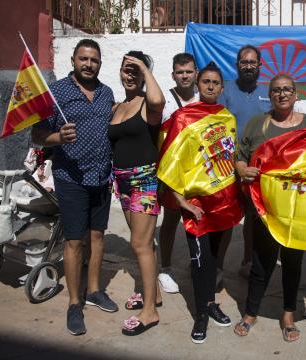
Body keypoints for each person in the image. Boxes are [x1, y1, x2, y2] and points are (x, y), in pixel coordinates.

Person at [31, 39, 117, 336]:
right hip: (71, 178)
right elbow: (38, 134)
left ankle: (93, 291)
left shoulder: (107, 94)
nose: (88, 64)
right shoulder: (57, 93)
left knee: (97, 237)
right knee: (74, 242)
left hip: (101, 177)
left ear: (100, 63)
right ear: (73, 60)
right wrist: (58, 138)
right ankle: (74, 302)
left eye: (94, 60)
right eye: (83, 58)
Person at [158, 62, 241, 344]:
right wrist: (183, 201)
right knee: (200, 261)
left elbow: (227, 158)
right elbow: (169, 161)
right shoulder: (184, 117)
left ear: (221, 87)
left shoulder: (227, 117)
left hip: (224, 202)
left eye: (215, 82)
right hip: (197, 205)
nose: (209, 86)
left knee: (215, 261)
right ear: (197, 84)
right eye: (204, 81)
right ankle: (201, 315)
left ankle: (209, 303)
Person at [233, 74, 306, 343]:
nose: (282, 94)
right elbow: (240, 155)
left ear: (296, 94)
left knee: (293, 263)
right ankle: (250, 313)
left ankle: (288, 314)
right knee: (262, 262)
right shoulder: (257, 124)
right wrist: (242, 171)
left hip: (298, 211)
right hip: (265, 210)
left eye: (287, 90)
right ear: (269, 95)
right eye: (276, 91)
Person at [109, 51, 165, 336]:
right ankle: (152, 293)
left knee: (139, 245)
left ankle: (150, 312)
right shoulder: (117, 106)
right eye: (125, 69)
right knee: (146, 243)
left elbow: (159, 101)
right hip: (122, 181)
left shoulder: (147, 103)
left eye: (136, 71)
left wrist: (144, 65)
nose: (129, 75)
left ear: (143, 74)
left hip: (144, 180)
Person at [218, 45, 272, 275]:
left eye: (252, 62)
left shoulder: (268, 92)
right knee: (226, 218)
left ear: (260, 65)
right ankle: (217, 266)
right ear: (237, 65)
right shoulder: (225, 92)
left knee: (254, 218)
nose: (248, 66)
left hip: (258, 169)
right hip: (228, 166)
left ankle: (247, 262)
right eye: (244, 62)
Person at [156, 53, 199, 294]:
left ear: (196, 73)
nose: (185, 75)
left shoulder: (204, 98)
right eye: (180, 72)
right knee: (171, 221)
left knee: (197, 221)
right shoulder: (165, 100)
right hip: (173, 174)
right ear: (173, 75)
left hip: (199, 174)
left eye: (189, 71)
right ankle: (165, 267)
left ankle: (199, 264)